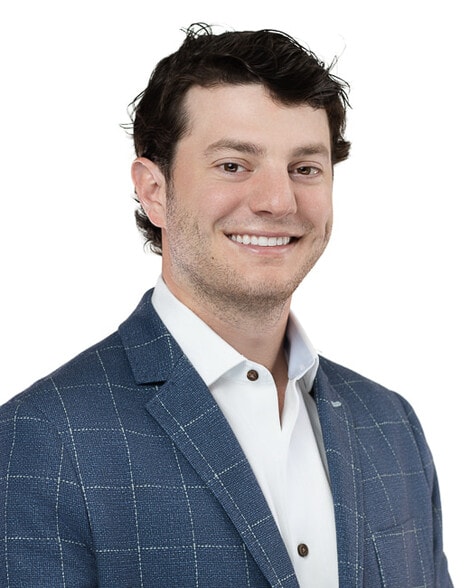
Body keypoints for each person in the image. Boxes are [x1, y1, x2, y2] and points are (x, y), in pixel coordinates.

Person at [0, 24, 452, 587]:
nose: (278, 201)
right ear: (153, 190)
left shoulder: (391, 425)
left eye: (305, 168)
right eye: (234, 165)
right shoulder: (42, 441)